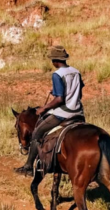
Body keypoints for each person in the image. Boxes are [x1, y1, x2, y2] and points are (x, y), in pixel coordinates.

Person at [15, 45, 85, 176]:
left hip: (63, 113)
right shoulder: (76, 71)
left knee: (37, 132)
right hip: (79, 113)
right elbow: (78, 94)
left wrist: (44, 108)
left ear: (55, 61)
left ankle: (29, 166)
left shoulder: (57, 74)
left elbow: (59, 100)